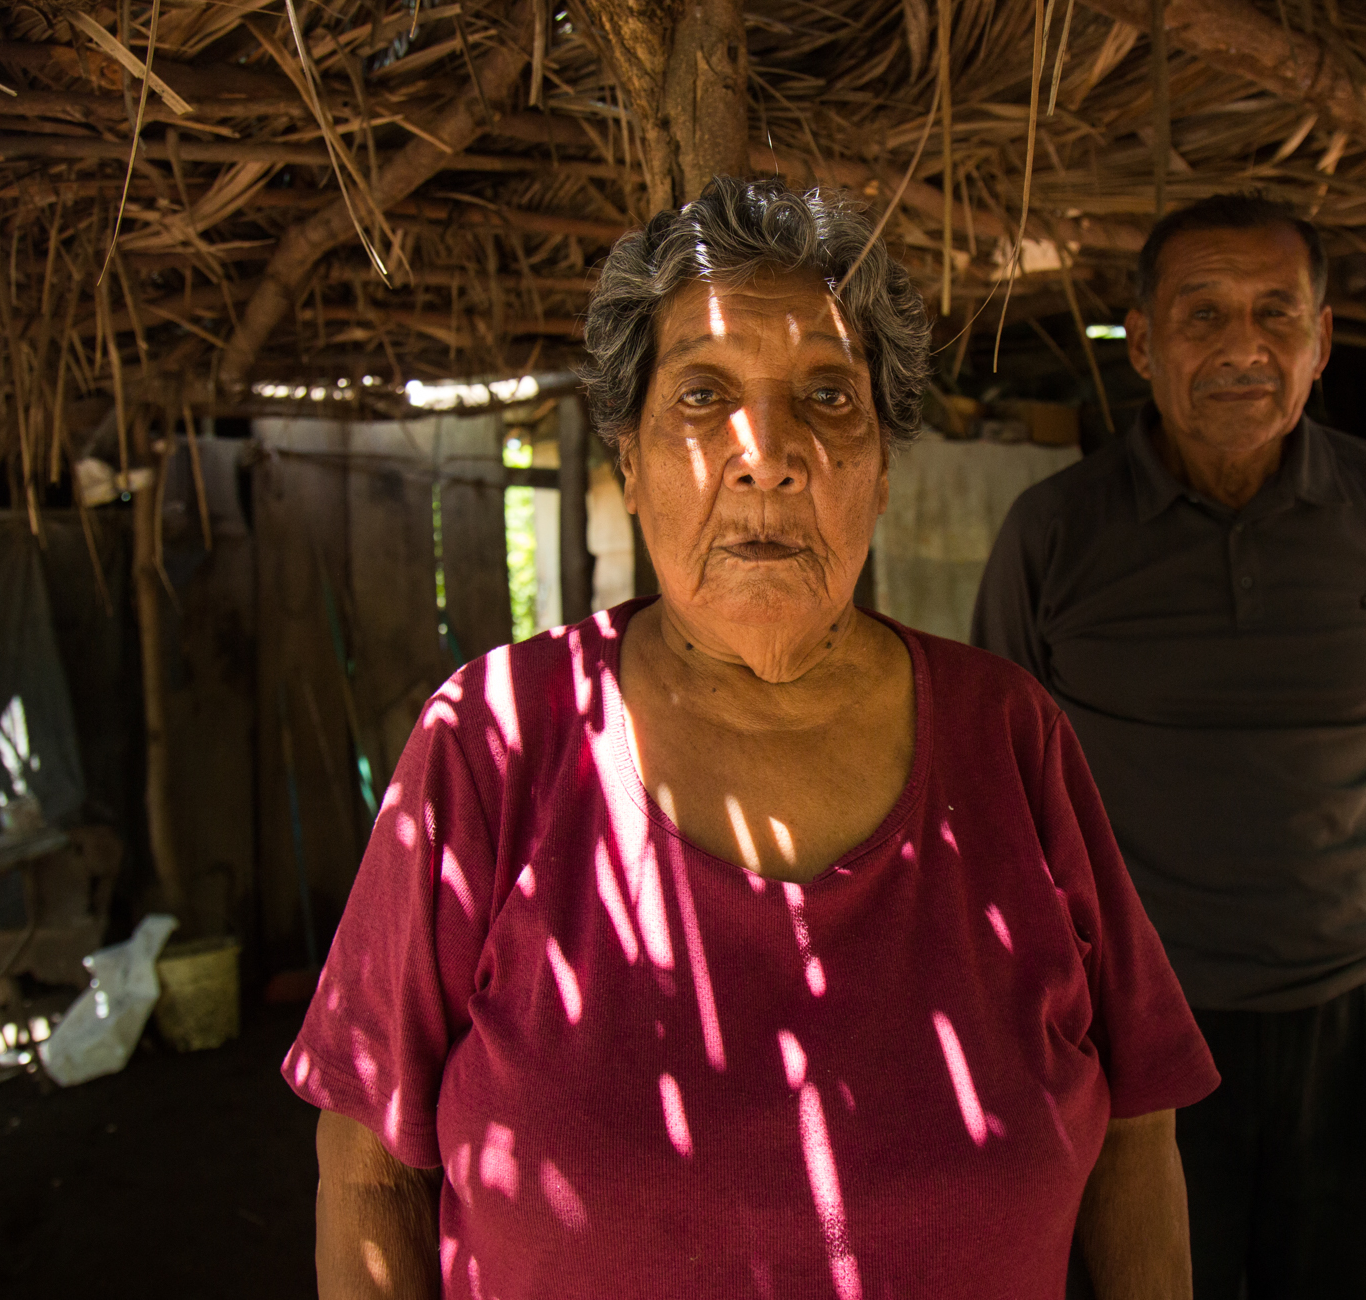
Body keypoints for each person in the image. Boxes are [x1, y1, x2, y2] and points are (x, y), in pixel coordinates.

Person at [282, 177, 1218, 1300]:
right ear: (627, 463)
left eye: (829, 397)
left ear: (878, 473)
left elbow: (1137, 1132)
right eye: (702, 395)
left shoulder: (1010, 737)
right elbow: (367, 1170)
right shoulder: (492, 742)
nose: (765, 454)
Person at [972, 192, 1366, 1300]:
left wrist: (1331, 878)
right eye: (1203, 315)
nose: (1242, 348)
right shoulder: (1056, 533)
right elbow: (1006, 794)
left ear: (1319, 346)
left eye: (1275, 314)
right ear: (1144, 344)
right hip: (1135, 1018)